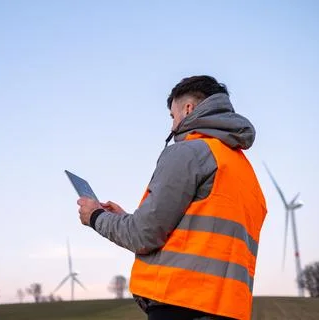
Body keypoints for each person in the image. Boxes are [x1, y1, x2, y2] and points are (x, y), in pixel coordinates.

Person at [77, 75, 267, 320]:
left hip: (181, 304)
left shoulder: (189, 152)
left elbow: (143, 234)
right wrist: (124, 218)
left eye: (172, 116)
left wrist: (96, 216)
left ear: (188, 109)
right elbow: (201, 234)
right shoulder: (243, 171)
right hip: (230, 309)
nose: (172, 126)